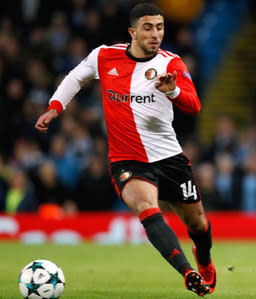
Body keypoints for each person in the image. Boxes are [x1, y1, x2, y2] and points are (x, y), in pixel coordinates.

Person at [35, 3, 216, 296]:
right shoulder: (104, 56)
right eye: (148, 27)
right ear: (132, 31)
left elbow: (194, 105)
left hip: (170, 158)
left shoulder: (172, 63)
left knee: (198, 223)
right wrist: (55, 107)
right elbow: (75, 77)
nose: (155, 34)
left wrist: (172, 91)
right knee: (146, 206)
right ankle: (188, 272)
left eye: (159, 27)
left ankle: (204, 261)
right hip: (126, 161)